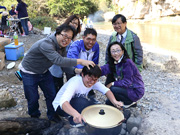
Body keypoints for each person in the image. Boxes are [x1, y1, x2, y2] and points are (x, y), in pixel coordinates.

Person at [18, 24, 95, 123]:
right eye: (64, 36)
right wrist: (80, 61)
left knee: (52, 94)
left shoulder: (61, 47)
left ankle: (52, 115)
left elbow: (64, 65)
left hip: (44, 71)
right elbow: (59, 60)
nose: (66, 40)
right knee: (32, 97)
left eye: (69, 38)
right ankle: (34, 117)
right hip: (29, 72)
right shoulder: (46, 44)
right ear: (57, 34)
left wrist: (77, 71)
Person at [52, 65, 123, 127]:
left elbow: (106, 90)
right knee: (82, 102)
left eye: (95, 80)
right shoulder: (75, 82)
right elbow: (63, 102)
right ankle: (72, 121)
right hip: (60, 107)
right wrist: (75, 114)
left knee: (93, 106)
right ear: (83, 74)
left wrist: (115, 102)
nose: (91, 82)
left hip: (74, 102)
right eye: (90, 78)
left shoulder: (93, 81)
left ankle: (79, 117)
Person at [101, 41, 144, 106]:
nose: (116, 53)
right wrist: (91, 70)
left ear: (123, 51)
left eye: (118, 50)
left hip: (135, 90)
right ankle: (120, 100)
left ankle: (130, 102)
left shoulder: (127, 62)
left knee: (112, 88)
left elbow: (127, 82)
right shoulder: (113, 62)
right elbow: (103, 69)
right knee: (108, 102)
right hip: (126, 88)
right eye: (113, 51)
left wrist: (112, 83)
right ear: (110, 54)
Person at [49, 15, 81, 92]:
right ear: (68, 22)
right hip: (57, 63)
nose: (74, 24)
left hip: (69, 62)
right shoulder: (60, 33)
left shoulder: (75, 39)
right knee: (57, 80)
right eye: (72, 22)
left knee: (71, 77)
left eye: (76, 24)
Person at [67, 28, 99, 102]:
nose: (91, 42)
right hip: (74, 69)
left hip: (87, 69)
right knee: (76, 84)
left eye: (93, 39)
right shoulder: (76, 45)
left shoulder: (96, 46)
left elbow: (95, 60)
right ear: (83, 37)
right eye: (88, 39)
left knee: (91, 79)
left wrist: (94, 71)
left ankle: (91, 96)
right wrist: (84, 72)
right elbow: (72, 61)